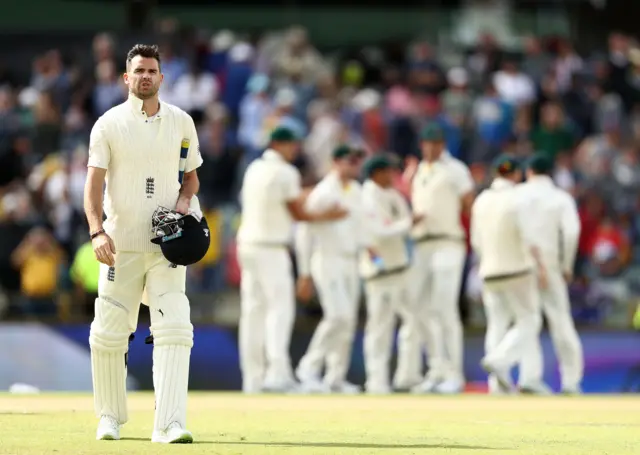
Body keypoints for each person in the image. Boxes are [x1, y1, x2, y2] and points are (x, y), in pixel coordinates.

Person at [85, 44, 202, 443]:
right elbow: (93, 185)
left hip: (167, 246)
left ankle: (169, 423)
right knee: (109, 331)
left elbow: (190, 176)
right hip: (121, 244)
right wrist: (97, 232)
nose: (145, 76)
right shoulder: (108, 124)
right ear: (126, 77)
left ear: (161, 77)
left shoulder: (182, 122)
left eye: (152, 70)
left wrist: (185, 204)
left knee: (175, 327)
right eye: (139, 71)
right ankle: (109, 418)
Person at [236, 126, 347, 394]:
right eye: (291, 144)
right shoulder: (286, 172)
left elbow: (287, 199)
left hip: (247, 246)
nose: (295, 149)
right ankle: (278, 374)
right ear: (278, 144)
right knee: (279, 310)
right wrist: (328, 215)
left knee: (253, 312)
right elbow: (298, 213)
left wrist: (309, 193)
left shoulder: (254, 168)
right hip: (271, 249)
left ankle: (253, 379)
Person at [407, 122, 475, 394]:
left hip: (448, 242)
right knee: (420, 310)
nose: (431, 147)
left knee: (444, 307)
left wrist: (478, 243)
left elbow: (471, 207)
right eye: (426, 142)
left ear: (443, 144)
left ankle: (454, 373)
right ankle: (436, 369)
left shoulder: (456, 170)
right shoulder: (421, 170)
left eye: (435, 143)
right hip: (421, 245)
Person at [294, 145, 365, 394]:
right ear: (336, 162)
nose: (353, 165)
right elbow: (304, 232)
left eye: (356, 161)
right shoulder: (323, 192)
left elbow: (361, 228)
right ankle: (308, 369)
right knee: (337, 316)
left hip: (351, 261)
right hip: (327, 259)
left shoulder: (356, 190)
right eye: (348, 160)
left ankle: (335, 377)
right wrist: (304, 273)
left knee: (348, 321)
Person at [471, 156, 545, 393]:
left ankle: (498, 385)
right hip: (517, 271)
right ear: (516, 175)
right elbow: (530, 238)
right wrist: (541, 267)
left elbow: (475, 241)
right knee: (530, 320)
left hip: (488, 272)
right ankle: (500, 361)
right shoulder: (518, 198)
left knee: (497, 324)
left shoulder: (481, 200)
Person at [517, 154, 583, 395]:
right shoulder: (560, 197)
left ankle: (528, 377)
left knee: (527, 321)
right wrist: (566, 265)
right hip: (551, 263)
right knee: (561, 323)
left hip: (522, 265)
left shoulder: (517, 195)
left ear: (529, 171)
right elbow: (572, 233)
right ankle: (571, 381)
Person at [359, 155, 423, 394]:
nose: (392, 176)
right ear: (376, 173)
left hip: (401, 267)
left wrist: (406, 223)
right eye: (388, 171)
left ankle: (407, 376)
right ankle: (376, 380)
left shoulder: (393, 195)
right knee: (379, 326)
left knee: (413, 320)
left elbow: (402, 222)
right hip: (380, 272)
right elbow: (379, 231)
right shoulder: (366, 198)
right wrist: (408, 223)